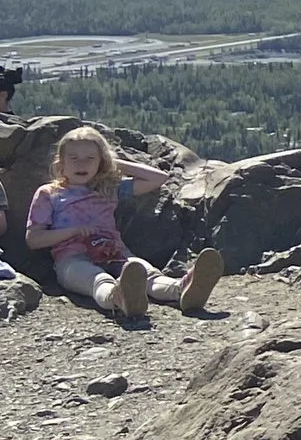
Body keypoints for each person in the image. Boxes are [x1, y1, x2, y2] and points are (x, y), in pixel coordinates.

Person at [24, 126, 222, 319]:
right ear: (61, 163)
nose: (81, 164)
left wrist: (115, 163)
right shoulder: (49, 194)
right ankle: (119, 297)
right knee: (97, 279)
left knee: (143, 272)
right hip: (71, 258)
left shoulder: (109, 189)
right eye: (73, 158)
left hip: (115, 253)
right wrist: (74, 231)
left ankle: (181, 290)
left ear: (101, 162)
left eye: (90, 158)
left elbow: (158, 178)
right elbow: (34, 239)